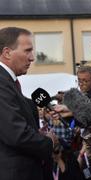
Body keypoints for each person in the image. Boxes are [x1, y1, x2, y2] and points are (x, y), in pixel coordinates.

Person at [0, 27, 57, 180]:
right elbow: (16, 134)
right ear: (7, 52)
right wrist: (49, 142)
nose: (32, 58)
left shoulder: (8, 82)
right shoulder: (2, 82)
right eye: (27, 51)